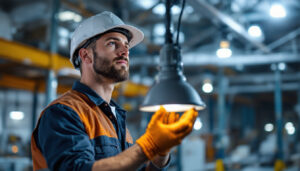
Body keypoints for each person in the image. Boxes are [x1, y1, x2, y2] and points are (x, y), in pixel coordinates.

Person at [31, 11, 198, 171]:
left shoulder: (115, 116)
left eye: (126, 46)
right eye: (112, 43)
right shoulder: (63, 113)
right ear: (86, 55)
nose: (124, 52)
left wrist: (161, 152)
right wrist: (147, 145)